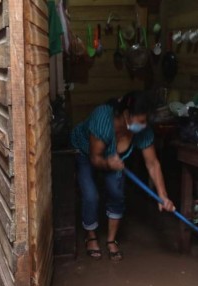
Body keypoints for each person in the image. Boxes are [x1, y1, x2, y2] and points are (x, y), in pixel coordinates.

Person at [70, 91, 175, 262]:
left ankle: (111, 239)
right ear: (127, 114)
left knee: (117, 194)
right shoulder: (103, 118)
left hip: (115, 159)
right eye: (141, 121)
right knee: (90, 196)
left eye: (146, 121)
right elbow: (95, 158)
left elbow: (153, 163)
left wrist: (162, 195)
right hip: (85, 152)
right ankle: (91, 237)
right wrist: (108, 164)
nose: (144, 125)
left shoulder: (143, 129)